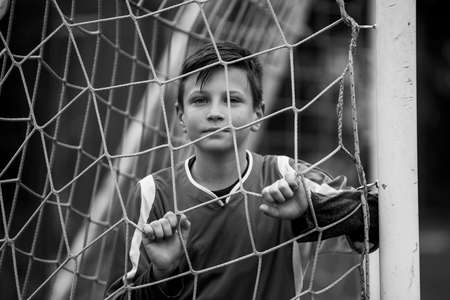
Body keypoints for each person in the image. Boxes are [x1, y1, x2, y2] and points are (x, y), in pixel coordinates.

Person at [105, 42, 378, 300]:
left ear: (258, 114)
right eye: (200, 100)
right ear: (180, 117)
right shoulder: (153, 192)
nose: (215, 112)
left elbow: (375, 218)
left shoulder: (287, 177)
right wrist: (161, 273)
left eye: (232, 100)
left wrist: (311, 211)